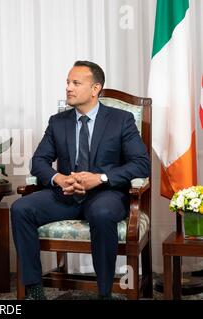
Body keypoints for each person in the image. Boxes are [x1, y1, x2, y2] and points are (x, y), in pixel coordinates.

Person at [10, 60, 150, 300]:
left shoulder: (121, 120)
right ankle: (34, 287)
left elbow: (141, 163)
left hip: (105, 194)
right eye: (67, 82)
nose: (68, 88)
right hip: (66, 194)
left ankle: (104, 292)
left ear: (95, 89)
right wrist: (59, 178)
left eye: (76, 83)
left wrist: (101, 178)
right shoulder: (58, 122)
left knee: (102, 213)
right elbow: (39, 162)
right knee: (21, 208)